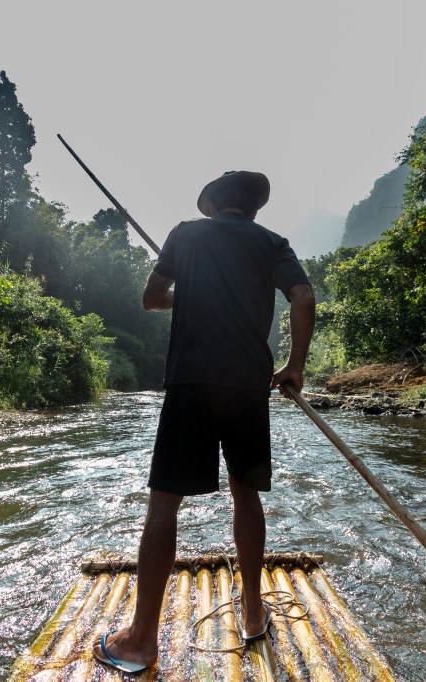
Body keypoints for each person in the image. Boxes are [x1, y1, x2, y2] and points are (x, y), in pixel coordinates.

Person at [92, 170, 316, 674]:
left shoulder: (184, 233)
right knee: (245, 494)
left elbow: (151, 299)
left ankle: (141, 640)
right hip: (248, 386)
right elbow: (303, 298)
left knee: (164, 505)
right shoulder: (272, 242)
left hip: (192, 383)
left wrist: (186, 292)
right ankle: (254, 613)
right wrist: (295, 367)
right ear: (253, 208)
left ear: (212, 203)